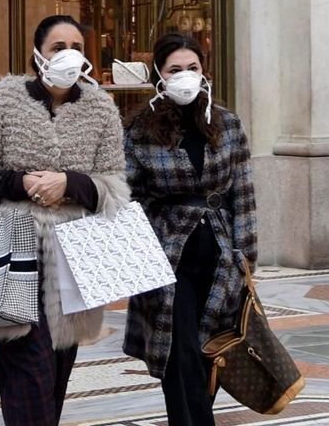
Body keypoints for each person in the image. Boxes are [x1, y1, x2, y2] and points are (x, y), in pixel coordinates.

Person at [0, 15, 129, 426]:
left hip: (75, 262)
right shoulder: (4, 99)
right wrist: (22, 182)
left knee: (54, 379)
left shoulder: (101, 107)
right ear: (38, 55)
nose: (69, 55)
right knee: (28, 376)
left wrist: (70, 183)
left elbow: (115, 187)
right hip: (13, 259)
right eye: (58, 47)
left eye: (77, 48)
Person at [125, 33, 257, 426]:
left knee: (210, 350)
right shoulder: (140, 130)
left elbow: (243, 194)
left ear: (204, 72)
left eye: (192, 68)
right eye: (175, 70)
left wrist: (246, 259)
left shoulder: (227, 123)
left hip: (220, 255)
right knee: (178, 350)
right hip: (168, 255)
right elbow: (130, 196)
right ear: (160, 76)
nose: (185, 76)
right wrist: (142, 251)